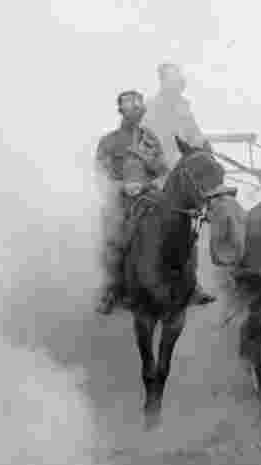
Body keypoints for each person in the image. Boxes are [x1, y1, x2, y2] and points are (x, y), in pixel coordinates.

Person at [142, 62, 216, 305]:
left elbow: (194, 134)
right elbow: (146, 142)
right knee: (132, 221)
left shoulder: (184, 108)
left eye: (178, 81)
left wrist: (204, 147)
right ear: (162, 82)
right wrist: (159, 166)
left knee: (193, 223)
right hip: (159, 174)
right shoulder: (151, 109)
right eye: (170, 81)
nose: (175, 85)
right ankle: (115, 284)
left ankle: (192, 284)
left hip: (183, 173)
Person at [94, 89, 169, 315]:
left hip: (149, 195)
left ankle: (189, 283)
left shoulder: (150, 139)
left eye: (138, 109)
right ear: (121, 112)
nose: (135, 113)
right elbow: (101, 175)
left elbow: (162, 170)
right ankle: (112, 289)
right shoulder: (109, 142)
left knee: (178, 221)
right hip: (121, 199)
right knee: (116, 235)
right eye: (130, 109)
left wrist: (150, 179)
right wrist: (121, 187)